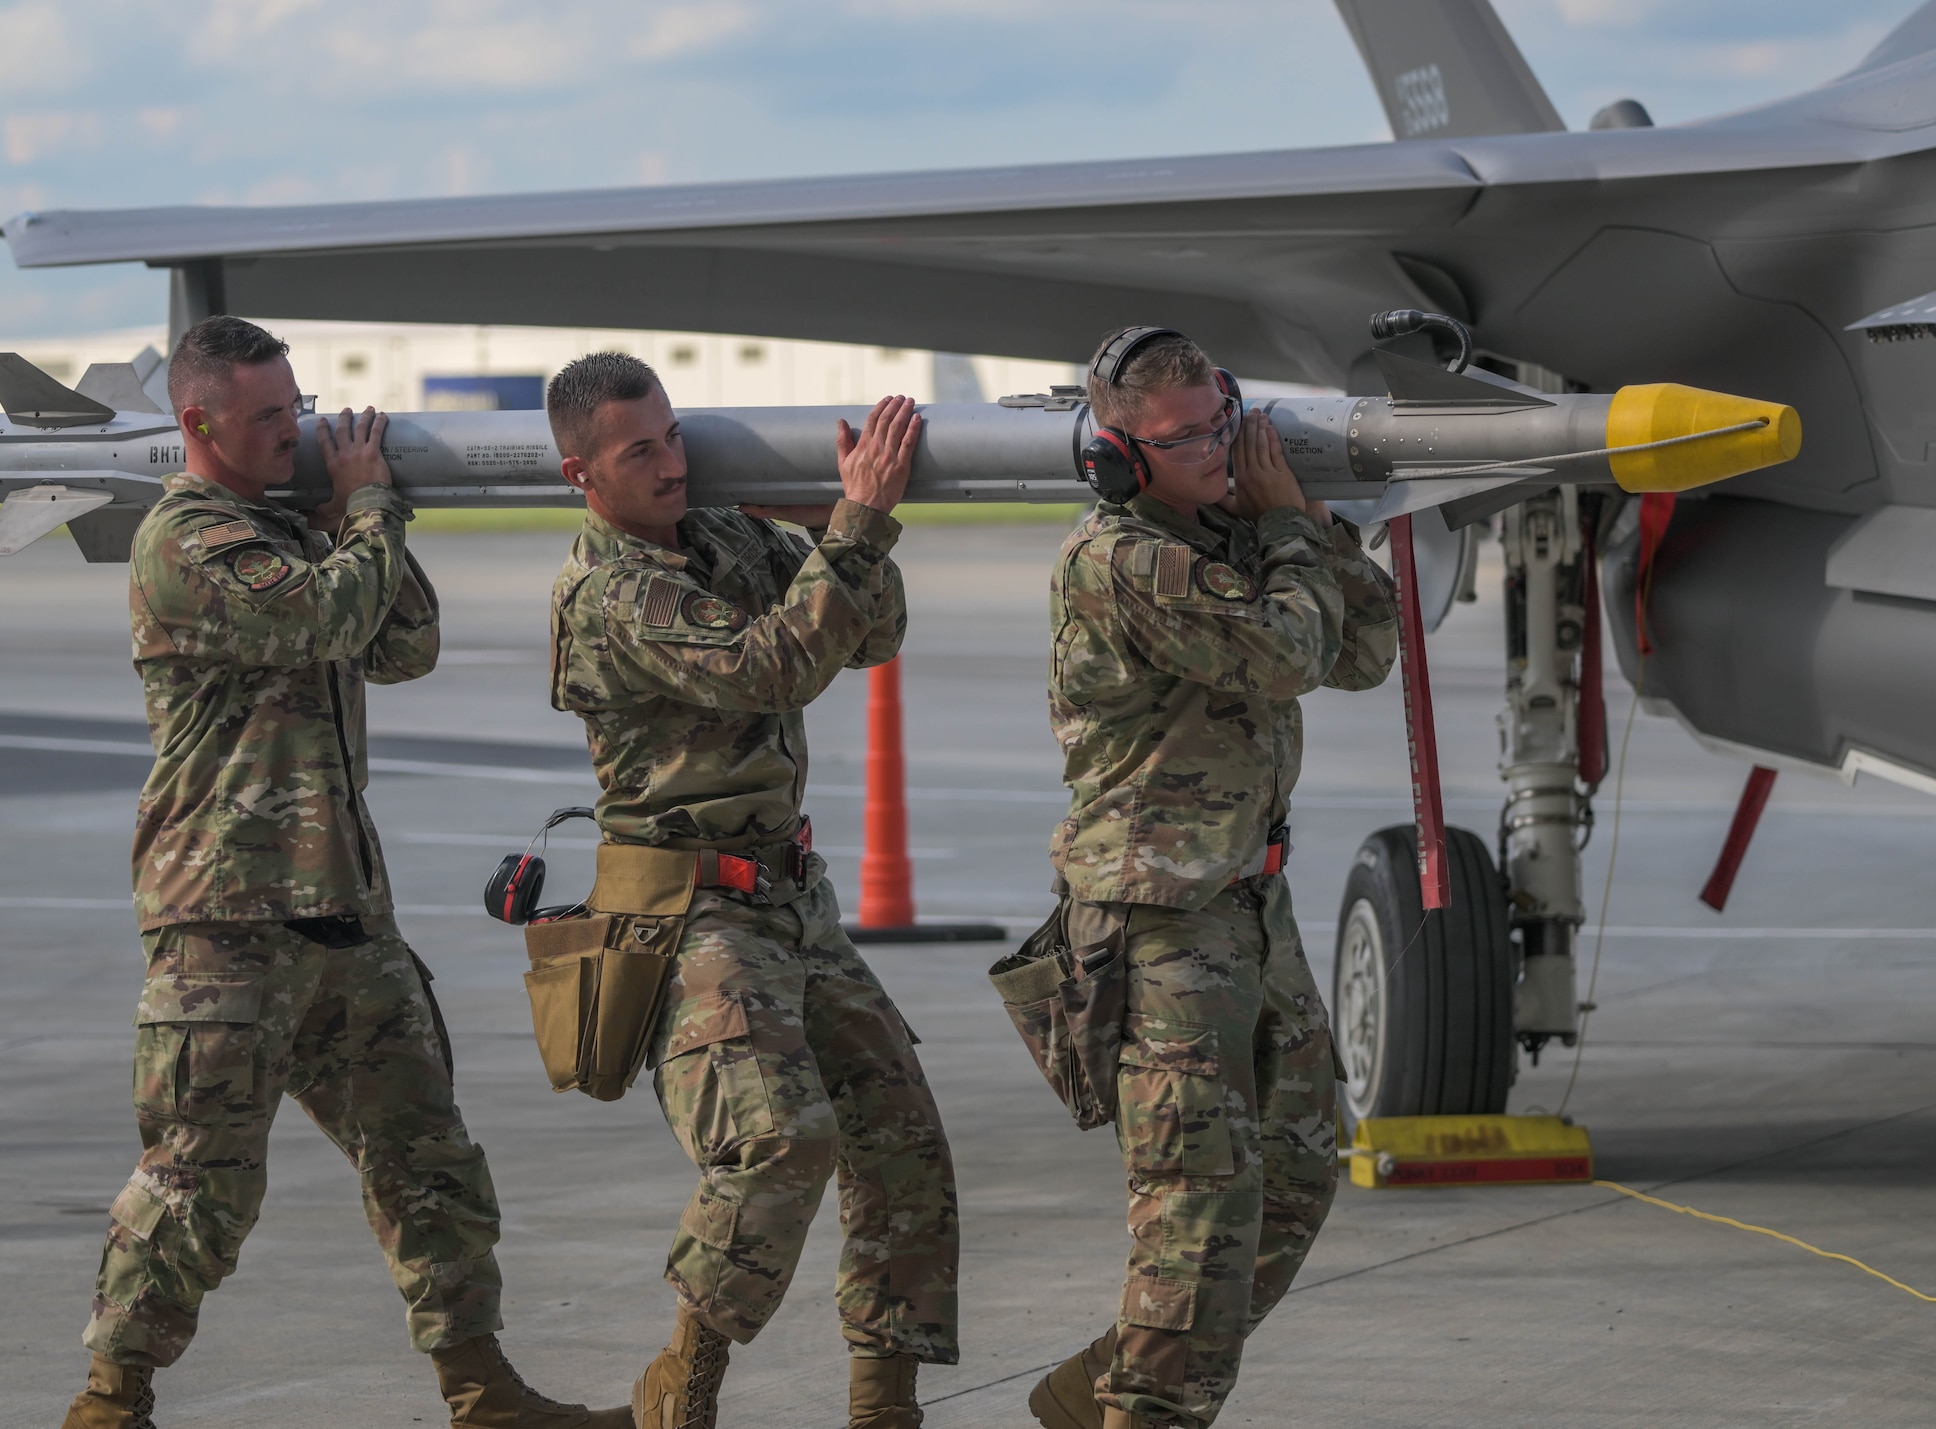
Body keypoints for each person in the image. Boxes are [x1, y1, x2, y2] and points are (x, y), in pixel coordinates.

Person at [62, 316, 611, 1429]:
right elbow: (322, 615)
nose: (294, 429)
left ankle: (482, 1390)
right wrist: (364, 511)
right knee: (198, 1189)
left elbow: (401, 642)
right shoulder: (189, 540)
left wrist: (349, 521)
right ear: (196, 422)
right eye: (267, 416)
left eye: (297, 406)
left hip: (342, 918)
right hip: (225, 922)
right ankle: (109, 1406)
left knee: (430, 1164)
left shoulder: (286, 532)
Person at [546, 352, 958, 1429]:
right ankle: (682, 1382)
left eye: (675, 437)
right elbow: (774, 665)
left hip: (787, 896)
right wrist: (853, 524)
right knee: (778, 1141)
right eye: (641, 451)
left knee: (900, 1132)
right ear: (579, 473)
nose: (671, 464)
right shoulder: (611, 589)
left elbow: (870, 634)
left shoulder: (724, 537)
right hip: (689, 911)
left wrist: (840, 531)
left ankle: (884, 1403)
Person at [1029, 328, 1399, 1429]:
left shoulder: (1224, 537)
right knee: (1193, 1211)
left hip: (1247, 903)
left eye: (1218, 424)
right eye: (1182, 437)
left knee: (1290, 1183)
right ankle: (1142, 1410)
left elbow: (1364, 651)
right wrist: (1287, 528)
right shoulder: (1121, 558)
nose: (1211, 449)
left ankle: (1109, 1381)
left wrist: (1307, 533)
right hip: (1159, 922)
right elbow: (1287, 655)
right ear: (1116, 455)